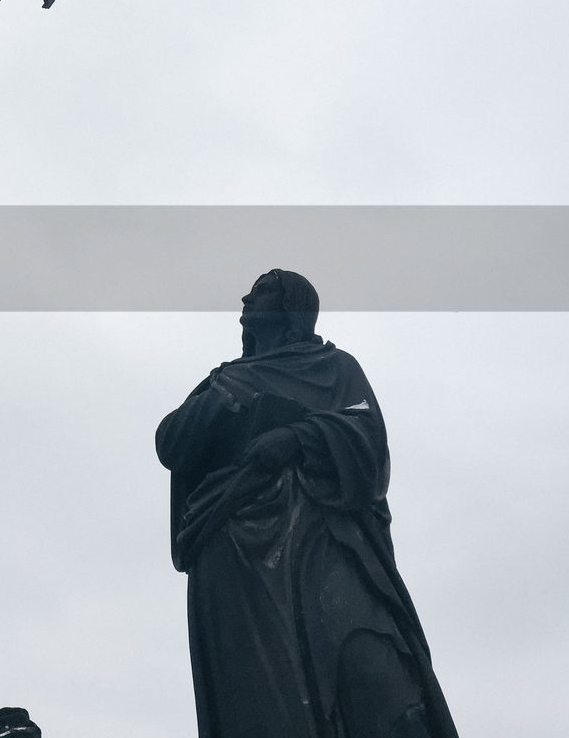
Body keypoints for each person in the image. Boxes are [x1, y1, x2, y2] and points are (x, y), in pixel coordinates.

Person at [156, 271, 458, 738]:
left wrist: (298, 437)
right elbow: (172, 443)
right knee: (261, 697)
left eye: (260, 292)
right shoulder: (225, 381)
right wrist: (227, 397)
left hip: (325, 540)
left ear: (291, 307)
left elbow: (367, 438)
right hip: (236, 554)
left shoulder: (335, 368)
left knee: (378, 673)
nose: (245, 297)